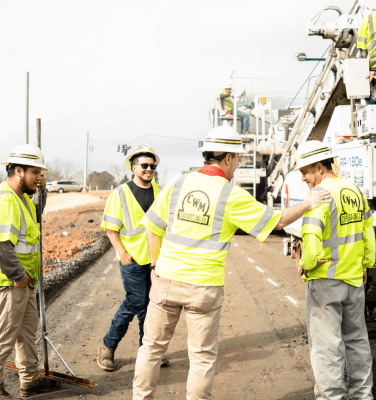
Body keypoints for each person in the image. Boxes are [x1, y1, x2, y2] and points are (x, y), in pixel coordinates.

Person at [132, 126, 331, 399]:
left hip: (165, 278)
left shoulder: (179, 183)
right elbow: (278, 221)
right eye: (237, 158)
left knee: (151, 348)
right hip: (203, 286)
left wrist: (155, 266)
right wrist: (309, 202)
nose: (237, 164)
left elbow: (152, 227)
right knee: (201, 358)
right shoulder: (230, 195)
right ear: (227, 158)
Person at [0, 144, 60, 399]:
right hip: (7, 283)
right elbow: (1, 244)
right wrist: (18, 276)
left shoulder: (21, 197)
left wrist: (42, 190)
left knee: (26, 334)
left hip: (24, 283)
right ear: (19, 171)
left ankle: (30, 381)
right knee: (0, 340)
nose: (39, 178)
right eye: (35, 173)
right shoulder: (6, 200)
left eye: (41, 173)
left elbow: (36, 216)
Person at [294, 140, 376, 400]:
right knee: (357, 341)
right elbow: (368, 234)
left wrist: (306, 264)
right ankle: (363, 395)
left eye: (305, 172)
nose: (304, 178)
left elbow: (311, 236)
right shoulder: (354, 191)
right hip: (354, 279)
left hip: (326, 281)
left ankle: (332, 398)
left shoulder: (319, 195)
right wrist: (365, 265)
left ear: (319, 167)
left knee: (326, 346)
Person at [97, 145, 169, 371]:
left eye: (153, 166)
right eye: (145, 165)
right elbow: (110, 228)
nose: (149, 169)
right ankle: (107, 348)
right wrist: (123, 253)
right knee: (135, 302)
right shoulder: (121, 193)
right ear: (133, 167)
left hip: (155, 259)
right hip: (133, 259)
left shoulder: (160, 192)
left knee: (151, 307)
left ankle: (146, 351)